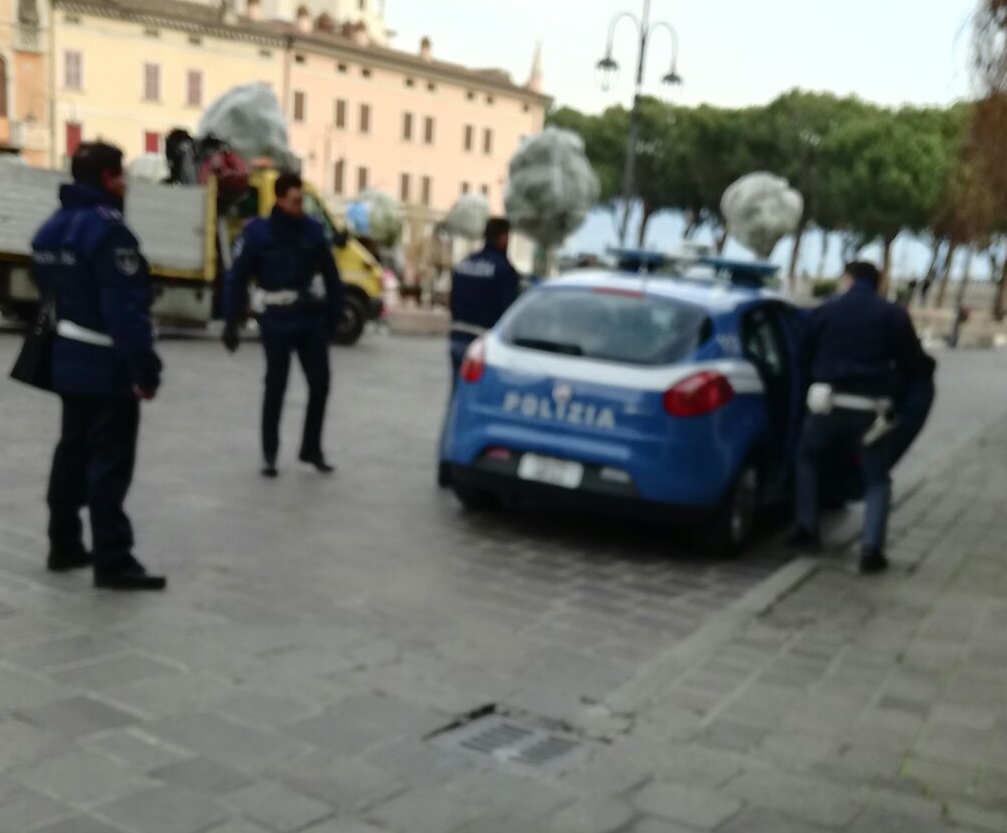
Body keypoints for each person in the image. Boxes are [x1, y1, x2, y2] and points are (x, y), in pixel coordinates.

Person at [32, 142, 166, 591]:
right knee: (110, 460)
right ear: (108, 178)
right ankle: (113, 558)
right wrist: (144, 371)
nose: (125, 184)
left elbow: (45, 293)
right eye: (122, 175)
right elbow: (125, 312)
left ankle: (64, 542)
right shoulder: (110, 231)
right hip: (106, 363)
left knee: (71, 451)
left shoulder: (53, 227)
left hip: (67, 357)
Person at [791, 261, 934, 575]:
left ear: (848, 280)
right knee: (876, 478)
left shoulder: (825, 311)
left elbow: (802, 358)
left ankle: (807, 529)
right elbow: (915, 364)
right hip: (871, 413)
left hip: (825, 407)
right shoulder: (893, 314)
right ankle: (871, 549)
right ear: (879, 282)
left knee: (807, 458)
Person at [221, 173, 343, 478]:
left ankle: (311, 447)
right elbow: (237, 277)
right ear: (279, 199)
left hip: (308, 316)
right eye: (294, 200)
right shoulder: (258, 234)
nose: (300, 205)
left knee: (321, 382)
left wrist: (334, 314)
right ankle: (270, 452)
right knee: (276, 385)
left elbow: (331, 274)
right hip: (275, 318)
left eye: (301, 199)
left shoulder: (313, 231)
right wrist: (231, 321)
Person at [437, 217, 520, 487]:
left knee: (454, 402)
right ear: (503, 238)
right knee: (482, 409)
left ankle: (444, 464)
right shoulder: (504, 270)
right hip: (484, 347)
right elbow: (509, 314)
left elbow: (452, 303)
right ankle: (476, 464)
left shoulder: (465, 264)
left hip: (458, 338)